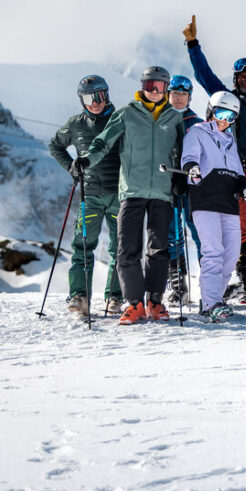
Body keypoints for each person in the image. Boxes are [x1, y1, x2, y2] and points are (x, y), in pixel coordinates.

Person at [79, 66, 186, 325]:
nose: (154, 91)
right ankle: (134, 304)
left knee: (159, 248)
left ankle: (155, 302)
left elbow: (182, 152)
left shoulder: (174, 118)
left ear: (166, 89)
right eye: (150, 85)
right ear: (142, 86)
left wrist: (181, 178)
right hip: (131, 191)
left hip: (162, 192)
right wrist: (86, 160)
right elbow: (103, 142)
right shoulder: (127, 114)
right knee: (127, 249)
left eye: (160, 87)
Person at [182, 15, 246, 302]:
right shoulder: (226, 100)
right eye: (240, 76)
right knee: (240, 230)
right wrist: (193, 45)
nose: (245, 79)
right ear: (235, 79)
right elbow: (204, 77)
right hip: (231, 176)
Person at [47, 75, 124, 316]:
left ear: (107, 94)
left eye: (99, 96)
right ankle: (80, 296)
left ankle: (115, 298)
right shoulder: (75, 124)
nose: (95, 102)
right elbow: (55, 145)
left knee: (120, 247)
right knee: (82, 244)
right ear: (81, 100)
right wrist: (71, 166)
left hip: (119, 194)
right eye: (88, 98)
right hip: (89, 195)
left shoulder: (120, 120)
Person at [181, 91, 246, 322]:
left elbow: (237, 171)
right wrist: (192, 168)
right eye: (220, 113)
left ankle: (214, 300)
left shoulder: (230, 140)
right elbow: (189, 157)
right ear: (210, 111)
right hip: (205, 200)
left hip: (228, 203)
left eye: (230, 117)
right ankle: (211, 303)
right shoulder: (197, 132)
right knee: (213, 252)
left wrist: (245, 189)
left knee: (231, 255)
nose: (224, 120)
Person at [165, 74, 203, 305]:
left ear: (189, 97)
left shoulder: (196, 122)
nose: (178, 98)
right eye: (175, 93)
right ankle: (179, 284)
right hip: (167, 185)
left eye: (183, 94)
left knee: (199, 232)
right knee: (173, 234)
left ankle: (208, 283)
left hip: (193, 186)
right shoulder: (161, 121)